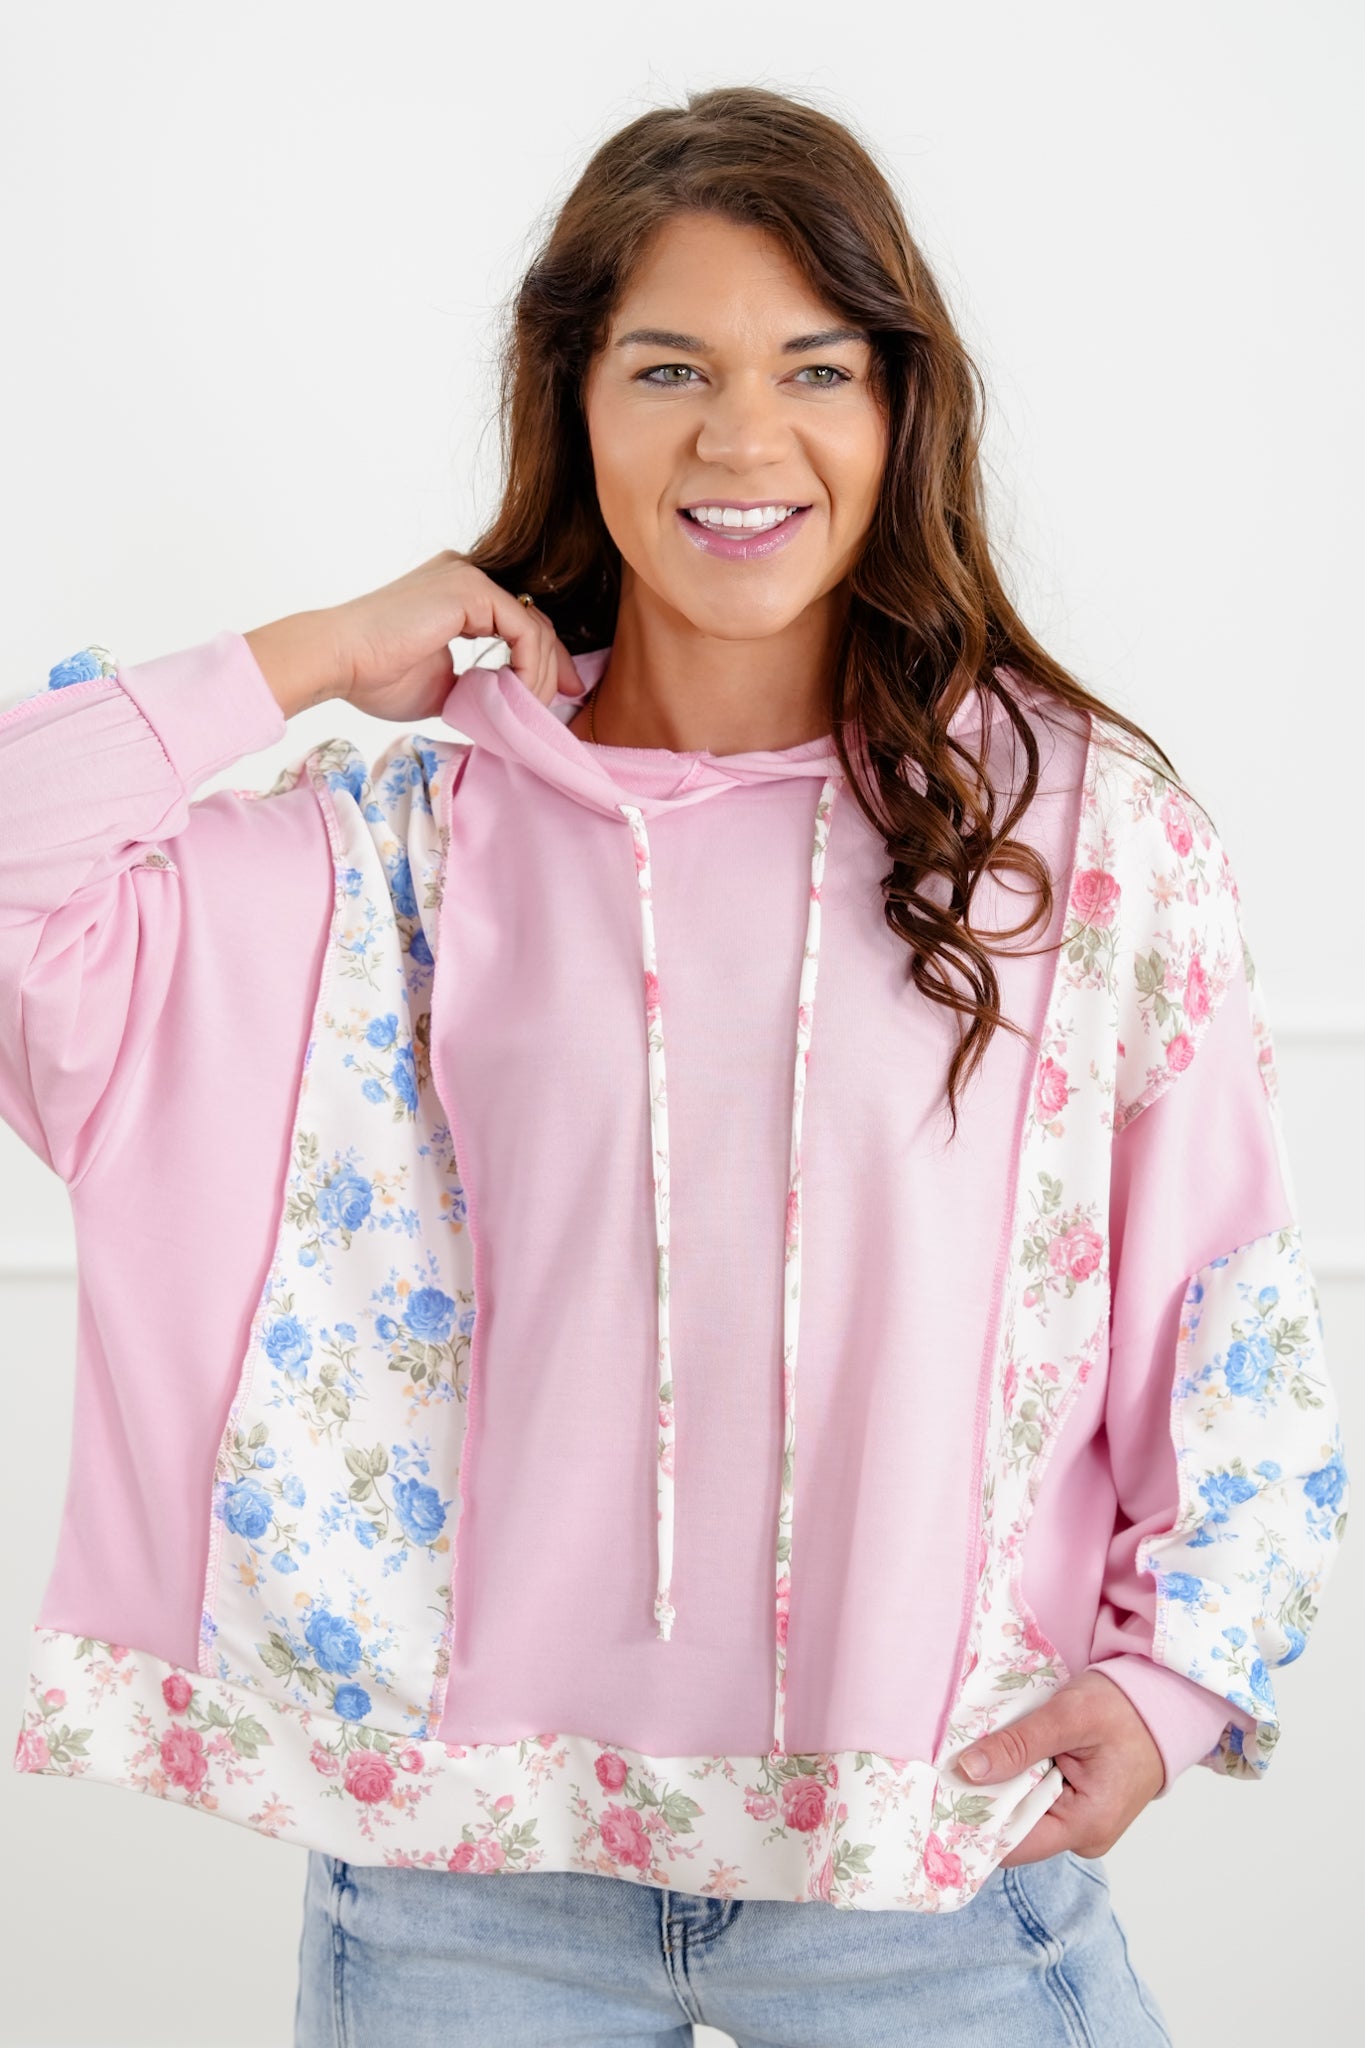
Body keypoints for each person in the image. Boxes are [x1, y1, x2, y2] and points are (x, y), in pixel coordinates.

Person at [2, 83, 1346, 2048]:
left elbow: (1221, 1302)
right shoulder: (403, 845)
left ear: (895, 411)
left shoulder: (1072, 839)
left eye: (813, 367)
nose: (739, 437)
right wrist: (317, 649)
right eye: (667, 369)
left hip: (926, 1854)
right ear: (570, 403)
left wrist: (1174, 1682)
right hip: (467, 1878)